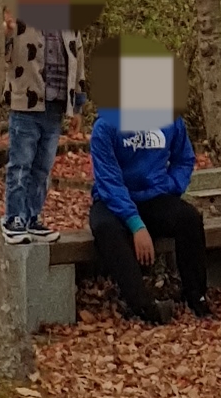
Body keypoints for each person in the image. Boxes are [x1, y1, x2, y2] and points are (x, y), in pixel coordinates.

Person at [88, 64, 209, 325]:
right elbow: (109, 182)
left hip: (154, 196)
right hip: (114, 200)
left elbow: (185, 159)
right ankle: (144, 306)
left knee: (189, 218)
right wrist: (136, 224)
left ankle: (196, 297)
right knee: (105, 227)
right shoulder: (105, 127)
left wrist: (171, 188)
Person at [2, 4, 83, 243]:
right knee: (20, 164)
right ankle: (14, 217)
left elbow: (79, 66)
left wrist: (77, 107)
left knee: (42, 168)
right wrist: (5, 32)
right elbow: (0, 53)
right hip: (25, 104)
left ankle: (31, 216)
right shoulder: (21, 19)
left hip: (56, 107)